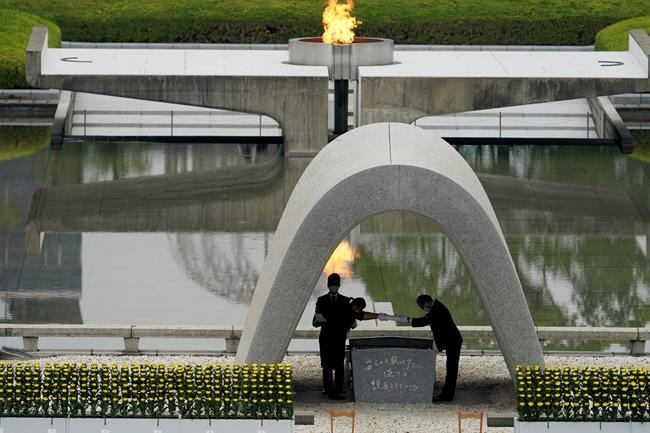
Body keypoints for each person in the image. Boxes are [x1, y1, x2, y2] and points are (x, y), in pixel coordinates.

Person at [313, 274, 382, 400]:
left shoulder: (346, 301)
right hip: (326, 337)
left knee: (339, 364)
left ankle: (338, 389)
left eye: (335, 284)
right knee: (327, 365)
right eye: (331, 284)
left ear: (339, 285)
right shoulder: (322, 300)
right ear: (328, 285)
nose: (333, 287)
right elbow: (317, 319)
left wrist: (378, 316)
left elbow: (359, 315)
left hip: (339, 338)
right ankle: (329, 391)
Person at [401, 294, 463, 402]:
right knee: (451, 368)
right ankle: (447, 394)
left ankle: (447, 396)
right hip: (452, 340)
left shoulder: (436, 310)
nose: (424, 309)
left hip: (453, 341)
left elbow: (422, 322)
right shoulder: (436, 307)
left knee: (451, 369)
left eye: (423, 306)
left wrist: (405, 319)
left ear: (427, 302)